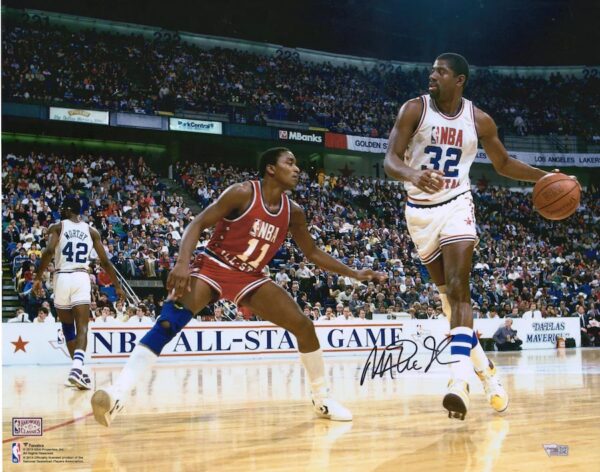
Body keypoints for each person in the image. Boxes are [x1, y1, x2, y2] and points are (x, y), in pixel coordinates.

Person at [91, 148, 385, 427]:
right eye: (290, 162)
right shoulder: (243, 192)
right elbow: (197, 223)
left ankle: (323, 399)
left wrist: (354, 272)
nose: (297, 169)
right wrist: (183, 262)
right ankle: (118, 393)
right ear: (271, 168)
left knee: (303, 325)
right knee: (169, 321)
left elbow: (313, 253)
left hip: (251, 276)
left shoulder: (293, 212)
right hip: (214, 265)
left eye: (296, 164)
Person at [383, 53, 564, 420]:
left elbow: (503, 163)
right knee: (449, 302)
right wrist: (412, 175)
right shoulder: (414, 110)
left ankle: (458, 381)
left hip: (456, 204)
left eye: (441, 71)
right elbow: (389, 160)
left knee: (458, 287)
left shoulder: (478, 119)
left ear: (460, 80)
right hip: (418, 213)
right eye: (432, 69)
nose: (432, 75)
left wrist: (544, 177)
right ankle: (488, 376)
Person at [33, 196, 125, 389]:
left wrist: (37, 277)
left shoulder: (58, 227)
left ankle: (76, 370)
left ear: (67, 210)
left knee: (68, 329)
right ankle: (78, 369)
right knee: (82, 327)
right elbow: (105, 262)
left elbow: (49, 251)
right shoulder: (92, 231)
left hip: (61, 277)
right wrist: (117, 285)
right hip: (81, 277)